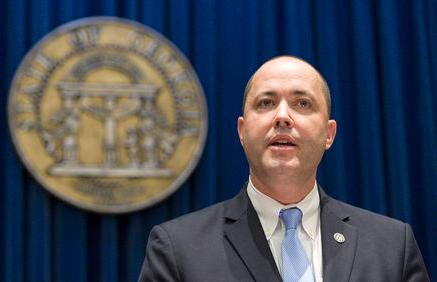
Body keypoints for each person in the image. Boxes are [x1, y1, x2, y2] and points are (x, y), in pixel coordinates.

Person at [138, 56, 430, 281]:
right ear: (242, 131)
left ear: (329, 134)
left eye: (302, 103)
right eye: (266, 103)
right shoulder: (178, 249)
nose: (282, 117)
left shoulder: (392, 246)